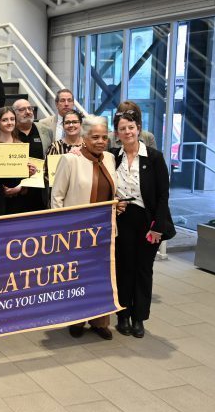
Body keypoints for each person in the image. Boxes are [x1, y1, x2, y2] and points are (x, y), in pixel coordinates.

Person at [51, 115, 117, 340]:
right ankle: (77, 319)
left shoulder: (109, 158)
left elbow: (112, 192)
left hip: (104, 232)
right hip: (77, 233)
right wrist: (61, 230)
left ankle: (100, 321)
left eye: (104, 137)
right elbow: (57, 197)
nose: (100, 141)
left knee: (101, 279)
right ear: (84, 138)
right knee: (78, 277)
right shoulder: (70, 160)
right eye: (95, 137)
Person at [112, 109, 174, 338]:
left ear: (138, 128)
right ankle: (123, 315)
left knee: (143, 270)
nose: (127, 132)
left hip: (148, 222)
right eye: (122, 128)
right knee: (122, 269)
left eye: (131, 127)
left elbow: (163, 196)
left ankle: (139, 318)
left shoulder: (154, 157)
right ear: (116, 133)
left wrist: (157, 227)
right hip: (121, 220)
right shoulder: (112, 156)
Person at [0, 106, 37, 215]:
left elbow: (24, 173)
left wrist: (18, 187)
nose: (9, 123)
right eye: (4, 120)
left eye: (12, 119)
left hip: (17, 200)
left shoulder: (20, 145)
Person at [13, 98, 53, 211]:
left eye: (30, 108)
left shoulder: (45, 130)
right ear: (14, 113)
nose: (28, 111)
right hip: (16, 191)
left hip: (39, 191)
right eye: (22, 109)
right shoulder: (9, 131)